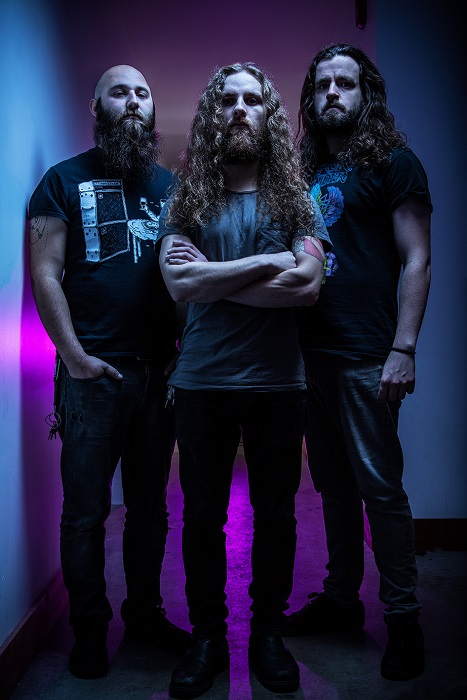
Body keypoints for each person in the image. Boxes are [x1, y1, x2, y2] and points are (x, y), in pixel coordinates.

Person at [156, 62, 331, 699]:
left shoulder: (295, 199)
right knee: (201, 518)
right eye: (226, 99)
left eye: (251, 100)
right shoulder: (187, 198)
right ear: (212, 114)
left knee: (277, 516)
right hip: (202, 383)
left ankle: (267, 634)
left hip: (278, 385)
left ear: (267, 114)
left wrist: (216, 277)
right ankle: (207, 637)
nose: (238, 109)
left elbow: (307, 286)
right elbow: (179, 283)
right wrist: (269, 262)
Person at [28, 65, 192, 680]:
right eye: (119, 92)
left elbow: (190, 277)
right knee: (85, 512)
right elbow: (45, 274)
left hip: (158, 375)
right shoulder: (61, 181)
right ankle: (90, 632)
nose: (133, 101)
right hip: (91, 376)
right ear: (96, 108)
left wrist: (185, 351)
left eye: (142, 93)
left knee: (151, 509)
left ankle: (144, 616)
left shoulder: (174, 189)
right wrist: (73, 357)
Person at [282, 44, 432, 682]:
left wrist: (404, 348)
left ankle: (403, 620)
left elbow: (417, 258)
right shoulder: (303, 170)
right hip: (308, 357)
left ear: (365, 94)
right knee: (332, 487)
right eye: (323, 85)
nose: (333, 94)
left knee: (380, 490)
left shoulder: (395, 164)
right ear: (311, 98)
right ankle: (342, 600)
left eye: (345, 83)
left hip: (367, 355)